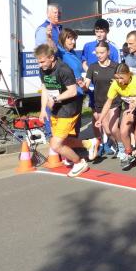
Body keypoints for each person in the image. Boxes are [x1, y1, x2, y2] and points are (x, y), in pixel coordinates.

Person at [35, 43, 89, 177]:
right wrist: (43, 109)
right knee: (61, 141)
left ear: (51, 57)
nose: (40, 65)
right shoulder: (43, 70)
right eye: (38, 62)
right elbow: (45, 89)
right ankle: (89, 143)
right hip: (56, 109)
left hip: (69, 109)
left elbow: (73, 91)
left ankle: (79, 163)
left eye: (42, 61)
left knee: (55, 144)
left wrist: (56, 99)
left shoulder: (64, 69)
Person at [97, 63, 136, 169]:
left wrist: (135, 103)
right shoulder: (115, 84)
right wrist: (100, 119)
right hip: (129, 108)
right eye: (117, 78)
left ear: (129, 74)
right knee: (123, 132)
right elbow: (108, 102)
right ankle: (128, 153)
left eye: (121, 78)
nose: (119, 81)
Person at [83, 41, 119, 159]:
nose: (99, 55)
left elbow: (122, 82)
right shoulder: (93, 67)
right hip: (99, 102)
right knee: (107, 130)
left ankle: (122, 147)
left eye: (102, 53)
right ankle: (115, 144)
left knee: (113, 129)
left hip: (113, 101)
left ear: (108, 52)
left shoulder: (116, 66)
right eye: (97, 53)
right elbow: (86, 84)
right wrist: (83, 86)